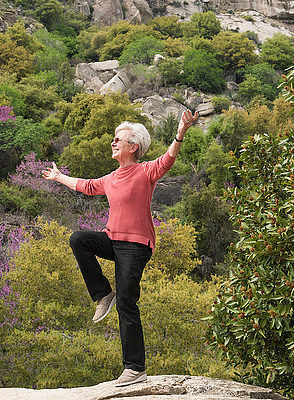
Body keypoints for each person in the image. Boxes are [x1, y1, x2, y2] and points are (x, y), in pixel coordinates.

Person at [41, 109, 199, 386]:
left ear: (133, 146)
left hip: (136, 246)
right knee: (79, 239)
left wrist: (181, 130)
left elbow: (169, 158)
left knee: (127, 303)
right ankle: (103, 294)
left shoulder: (146, 171)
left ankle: (135, 368)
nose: (113, 143)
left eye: (118, 139)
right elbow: (86, 186)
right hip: (112, 240)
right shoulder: (111, 178)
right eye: (113, 139)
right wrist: (59, 177)